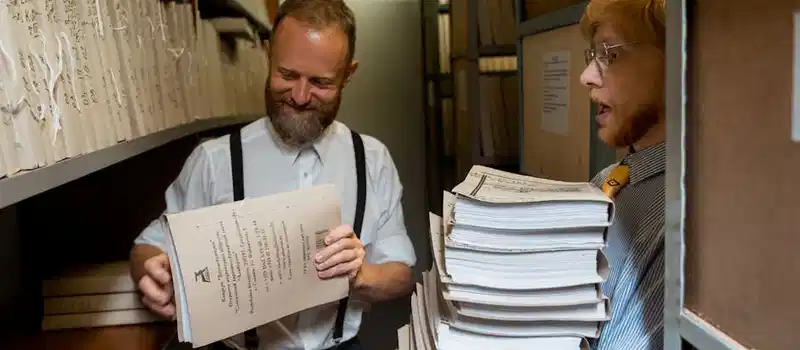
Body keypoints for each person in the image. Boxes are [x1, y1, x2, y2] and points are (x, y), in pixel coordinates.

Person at [129, 1, 417, 349]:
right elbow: (149, 247)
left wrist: (360, 275)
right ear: (268, 55)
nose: (299, 96)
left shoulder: (372, 159)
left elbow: (401, 274)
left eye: (321, 83)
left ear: (348, 75)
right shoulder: (214, 160)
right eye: (287, 75)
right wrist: (153, 274)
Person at [578, 0, 666, 349]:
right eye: (592, 55)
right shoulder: (606, 179)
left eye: (609, 54)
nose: (586, 76)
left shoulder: (691, 208)